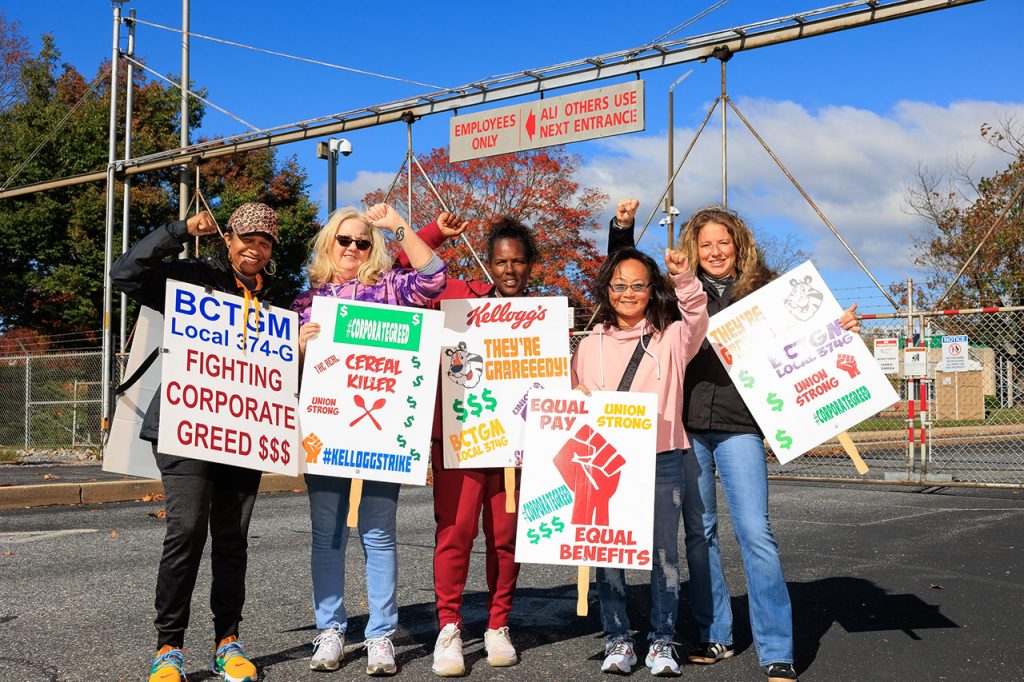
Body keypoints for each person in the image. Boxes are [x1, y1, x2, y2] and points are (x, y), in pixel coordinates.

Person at [610, 201, 859, 682]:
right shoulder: (677, 293)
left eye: (724, 241)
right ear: (693, 250)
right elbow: (624, 277)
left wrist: (839, 329)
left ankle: (777, 646)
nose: (716, 250)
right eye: (706, 244)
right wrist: (622, 229)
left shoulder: (765, 290)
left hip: (741, 424)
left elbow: (805, 341)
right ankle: (713, 633)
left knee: (755, 532)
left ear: (739, 244)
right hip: (686, 427)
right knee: (699, 535)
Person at [112, 202, 282, 682]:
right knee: (186, 532)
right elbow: (124, 274)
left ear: (271, 251)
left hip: (244, 433)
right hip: (186, 427)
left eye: (265, 241)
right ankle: (168, 649)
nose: (255, 247)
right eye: (248, 237)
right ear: (229, 239)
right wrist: (180, 230)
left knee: (231, 540)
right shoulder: (190, 279)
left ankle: (228, 642)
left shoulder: (278, 300)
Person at [292, 203, 447, 677]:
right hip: (327, 433)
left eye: (363, 241)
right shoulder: (305, 302)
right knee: (328, 535)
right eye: (345, 240)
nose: (354, 249)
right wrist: (296, 346)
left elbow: (434, 276)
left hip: (383, 434)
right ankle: (331, 629)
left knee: (379, 534)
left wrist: (397, 224)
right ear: (328, 244)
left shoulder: (391, 289)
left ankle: (381, 635)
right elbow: (281, 369)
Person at [396, 216, 539, 676]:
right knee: (455, 533)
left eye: (518, 262)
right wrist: (432, 233)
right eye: (501, 261)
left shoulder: (542, 317)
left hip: (516, 446)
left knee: (506, 537)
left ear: (530, 266)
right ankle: (450, 628)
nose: (509, 270)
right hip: (460, 437)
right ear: (489, 263)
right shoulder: (459, 296)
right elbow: (404, 268)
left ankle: (498, 625)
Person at [571, 244, 708, 676]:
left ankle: (663, 640)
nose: (628, 293)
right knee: (607, 553)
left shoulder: (672, 337)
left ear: (652, 290)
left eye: (638, 286)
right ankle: (617, 637)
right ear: (607, 289)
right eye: (619, 285)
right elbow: (578, 401)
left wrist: (685, 277)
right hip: (605, 462)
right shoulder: (589, 344)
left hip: (663, 456)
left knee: (664, 553)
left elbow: (699, 316)